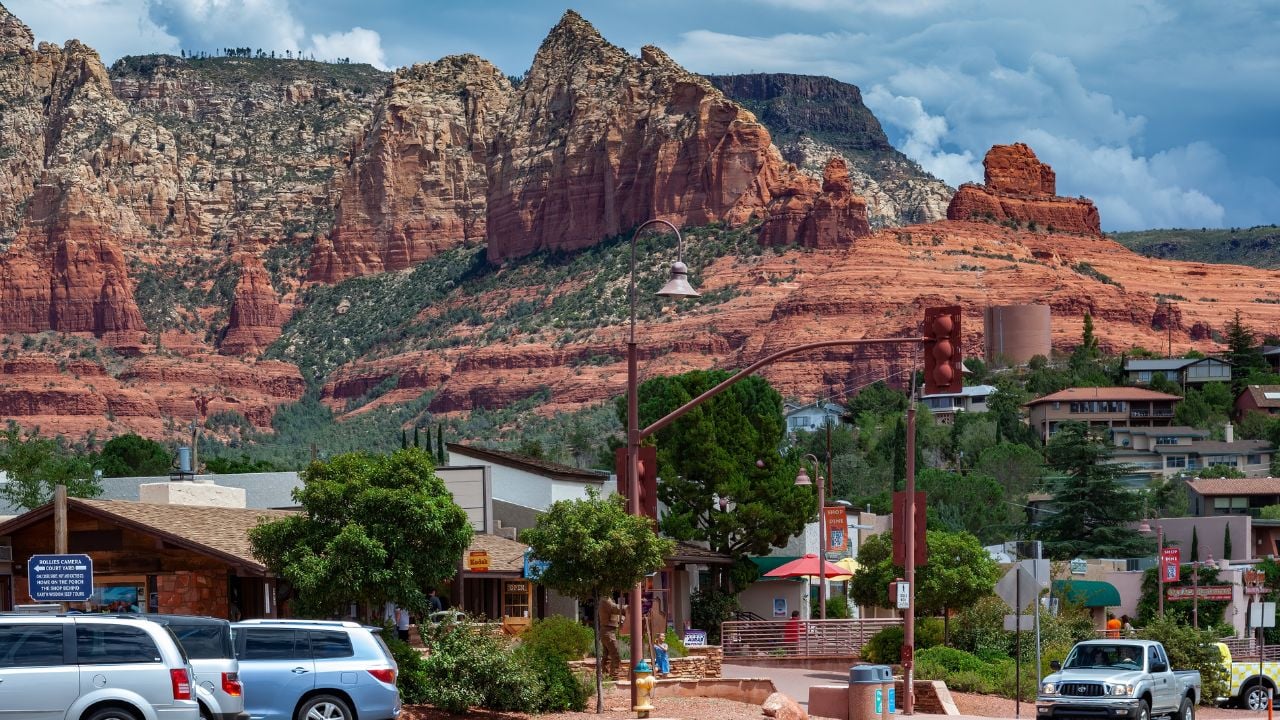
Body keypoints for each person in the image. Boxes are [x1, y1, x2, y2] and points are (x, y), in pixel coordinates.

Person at [598, 593, 623, 677]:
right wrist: (628, 607)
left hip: (608, 630)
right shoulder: (605, 600)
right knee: (615, 653)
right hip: (607, 631)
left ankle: (604, 673)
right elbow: (615, 608)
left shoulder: (607, 599)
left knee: (607, 655)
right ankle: (614, 674)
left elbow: (614, 613)